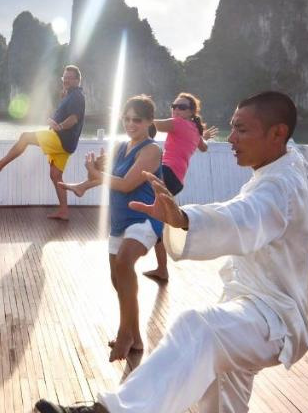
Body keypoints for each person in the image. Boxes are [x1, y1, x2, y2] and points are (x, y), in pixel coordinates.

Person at [34, 91, 308, 413]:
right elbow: (244, 208)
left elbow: (245, 219)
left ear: (277, 134)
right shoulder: (285, 165)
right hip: (249, 311)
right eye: (232, 127)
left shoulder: (277, 189)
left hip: (270, 319)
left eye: (243, 129)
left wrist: (184, 216)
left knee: (195, 327)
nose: (231, 139)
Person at [60, 91, 217, 282]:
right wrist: (203, 135)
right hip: (177, 179)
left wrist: (127, 116)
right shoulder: (194, 129)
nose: (176, 110)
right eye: (174, 106)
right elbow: (204, 147)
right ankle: (162, 268)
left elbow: (151, 123)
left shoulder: (177, 123)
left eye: (181, 107)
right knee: (156, 215)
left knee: (130, 184)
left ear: (192, 111)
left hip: (165, 172)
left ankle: (84, 186)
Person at [80, 95, 164, 361]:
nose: (130, 124)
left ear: (150, 121)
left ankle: (124, 332)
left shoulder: (152, 150)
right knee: (118, 279)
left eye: (136, 120)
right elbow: (109, 177)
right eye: (126, 119)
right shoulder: (120, 147)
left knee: (125, 263)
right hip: (119, 220)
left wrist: (97, 175)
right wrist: (92, 173)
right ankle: (136, 338)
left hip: (144, 217)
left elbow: (126, 184)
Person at [0, 65, 86, 220]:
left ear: (78, 80)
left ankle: (0, 164)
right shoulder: (70, 94)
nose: (65, 80)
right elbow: (67, 115)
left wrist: (58, 126)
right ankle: (64, 211)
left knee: (25, 137)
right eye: (64, 77)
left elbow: (73, 119)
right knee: (56, 176)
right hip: (67, 144)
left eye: (69, 78)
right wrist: (55, 118)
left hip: (60, 139)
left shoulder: (77, 96)